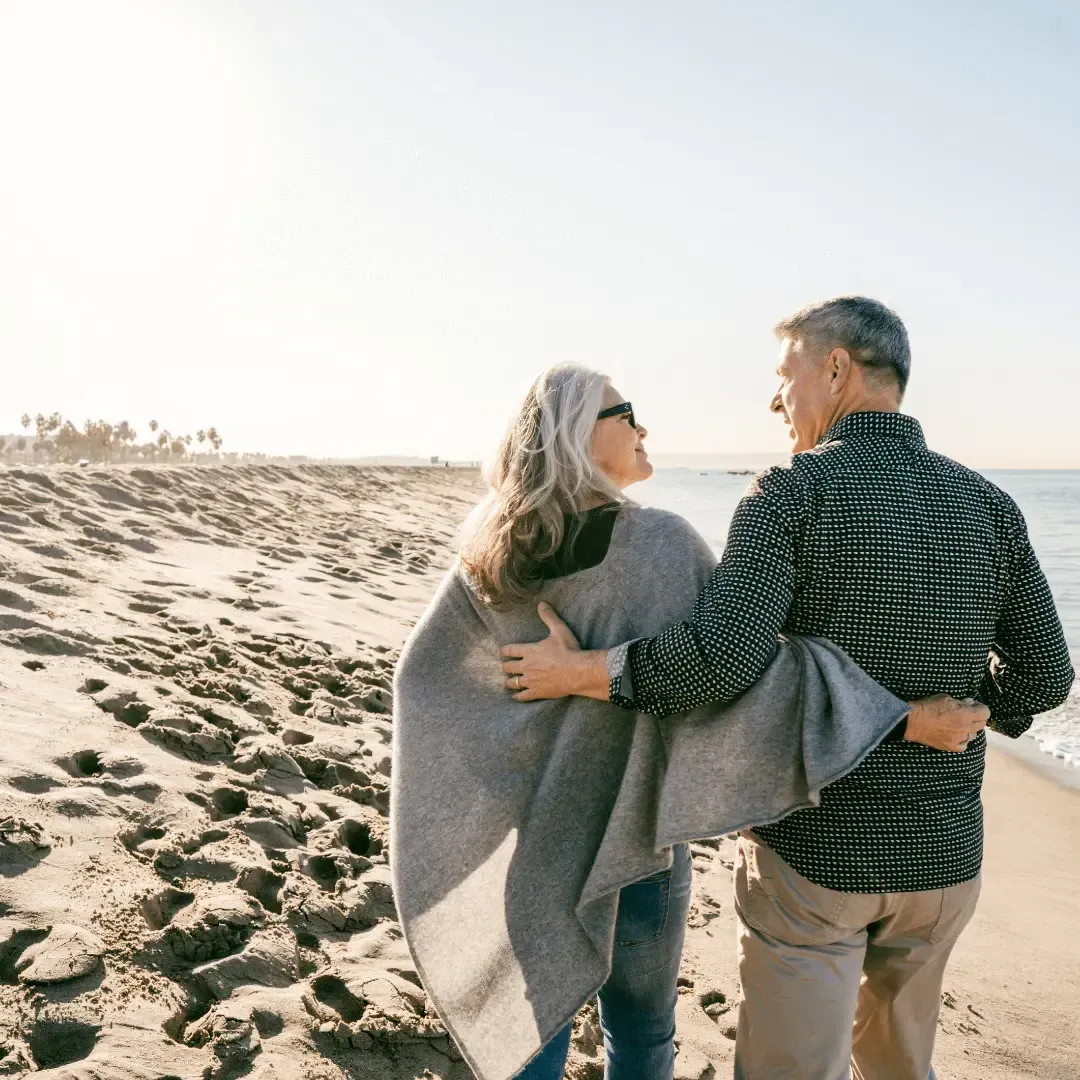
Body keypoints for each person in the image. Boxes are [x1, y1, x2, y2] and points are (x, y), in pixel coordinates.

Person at [500, 299, 1076, 1080]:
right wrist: (980, 711)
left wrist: (585, 672)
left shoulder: (790, 493)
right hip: (944, 858)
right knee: (902, 1067)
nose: (777, 398)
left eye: (785, 374)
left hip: (817, 857)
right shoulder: (991, 505)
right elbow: (1047, 675)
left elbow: (720, 661)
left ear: (836, 368)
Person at [392, 363, 987, 1080]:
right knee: (641, 1034)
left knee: (531, 1030)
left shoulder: (489, 553)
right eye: (626, 413)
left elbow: (425, 685)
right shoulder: (661, 544)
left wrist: (508, 767)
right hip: (637, 836)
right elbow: (750, 677)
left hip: (536, 840)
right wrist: (901, 719)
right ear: (576, 435)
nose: (643, 427)